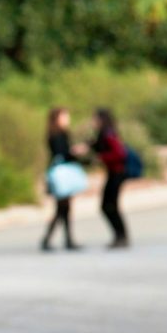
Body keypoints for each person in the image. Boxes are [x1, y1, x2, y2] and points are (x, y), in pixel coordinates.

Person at [41, 107, 85, 252]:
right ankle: (52, 240)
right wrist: (75, 152)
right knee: (62, 209)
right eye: (64, 116)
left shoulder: (55, 133)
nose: (67, 119)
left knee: (63, 209)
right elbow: (62, 153)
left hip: (60, 173)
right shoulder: (58, 135)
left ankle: (64, 239)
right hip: (62, 175)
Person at [92, 108, 130, 249]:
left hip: (117, 172)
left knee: (109, 205)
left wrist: (101, 158)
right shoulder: (104, 134)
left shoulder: (109, 134)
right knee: (108, 205)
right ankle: (119, 235)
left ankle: (121, 236)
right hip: (113, 172)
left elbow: (119, 153)